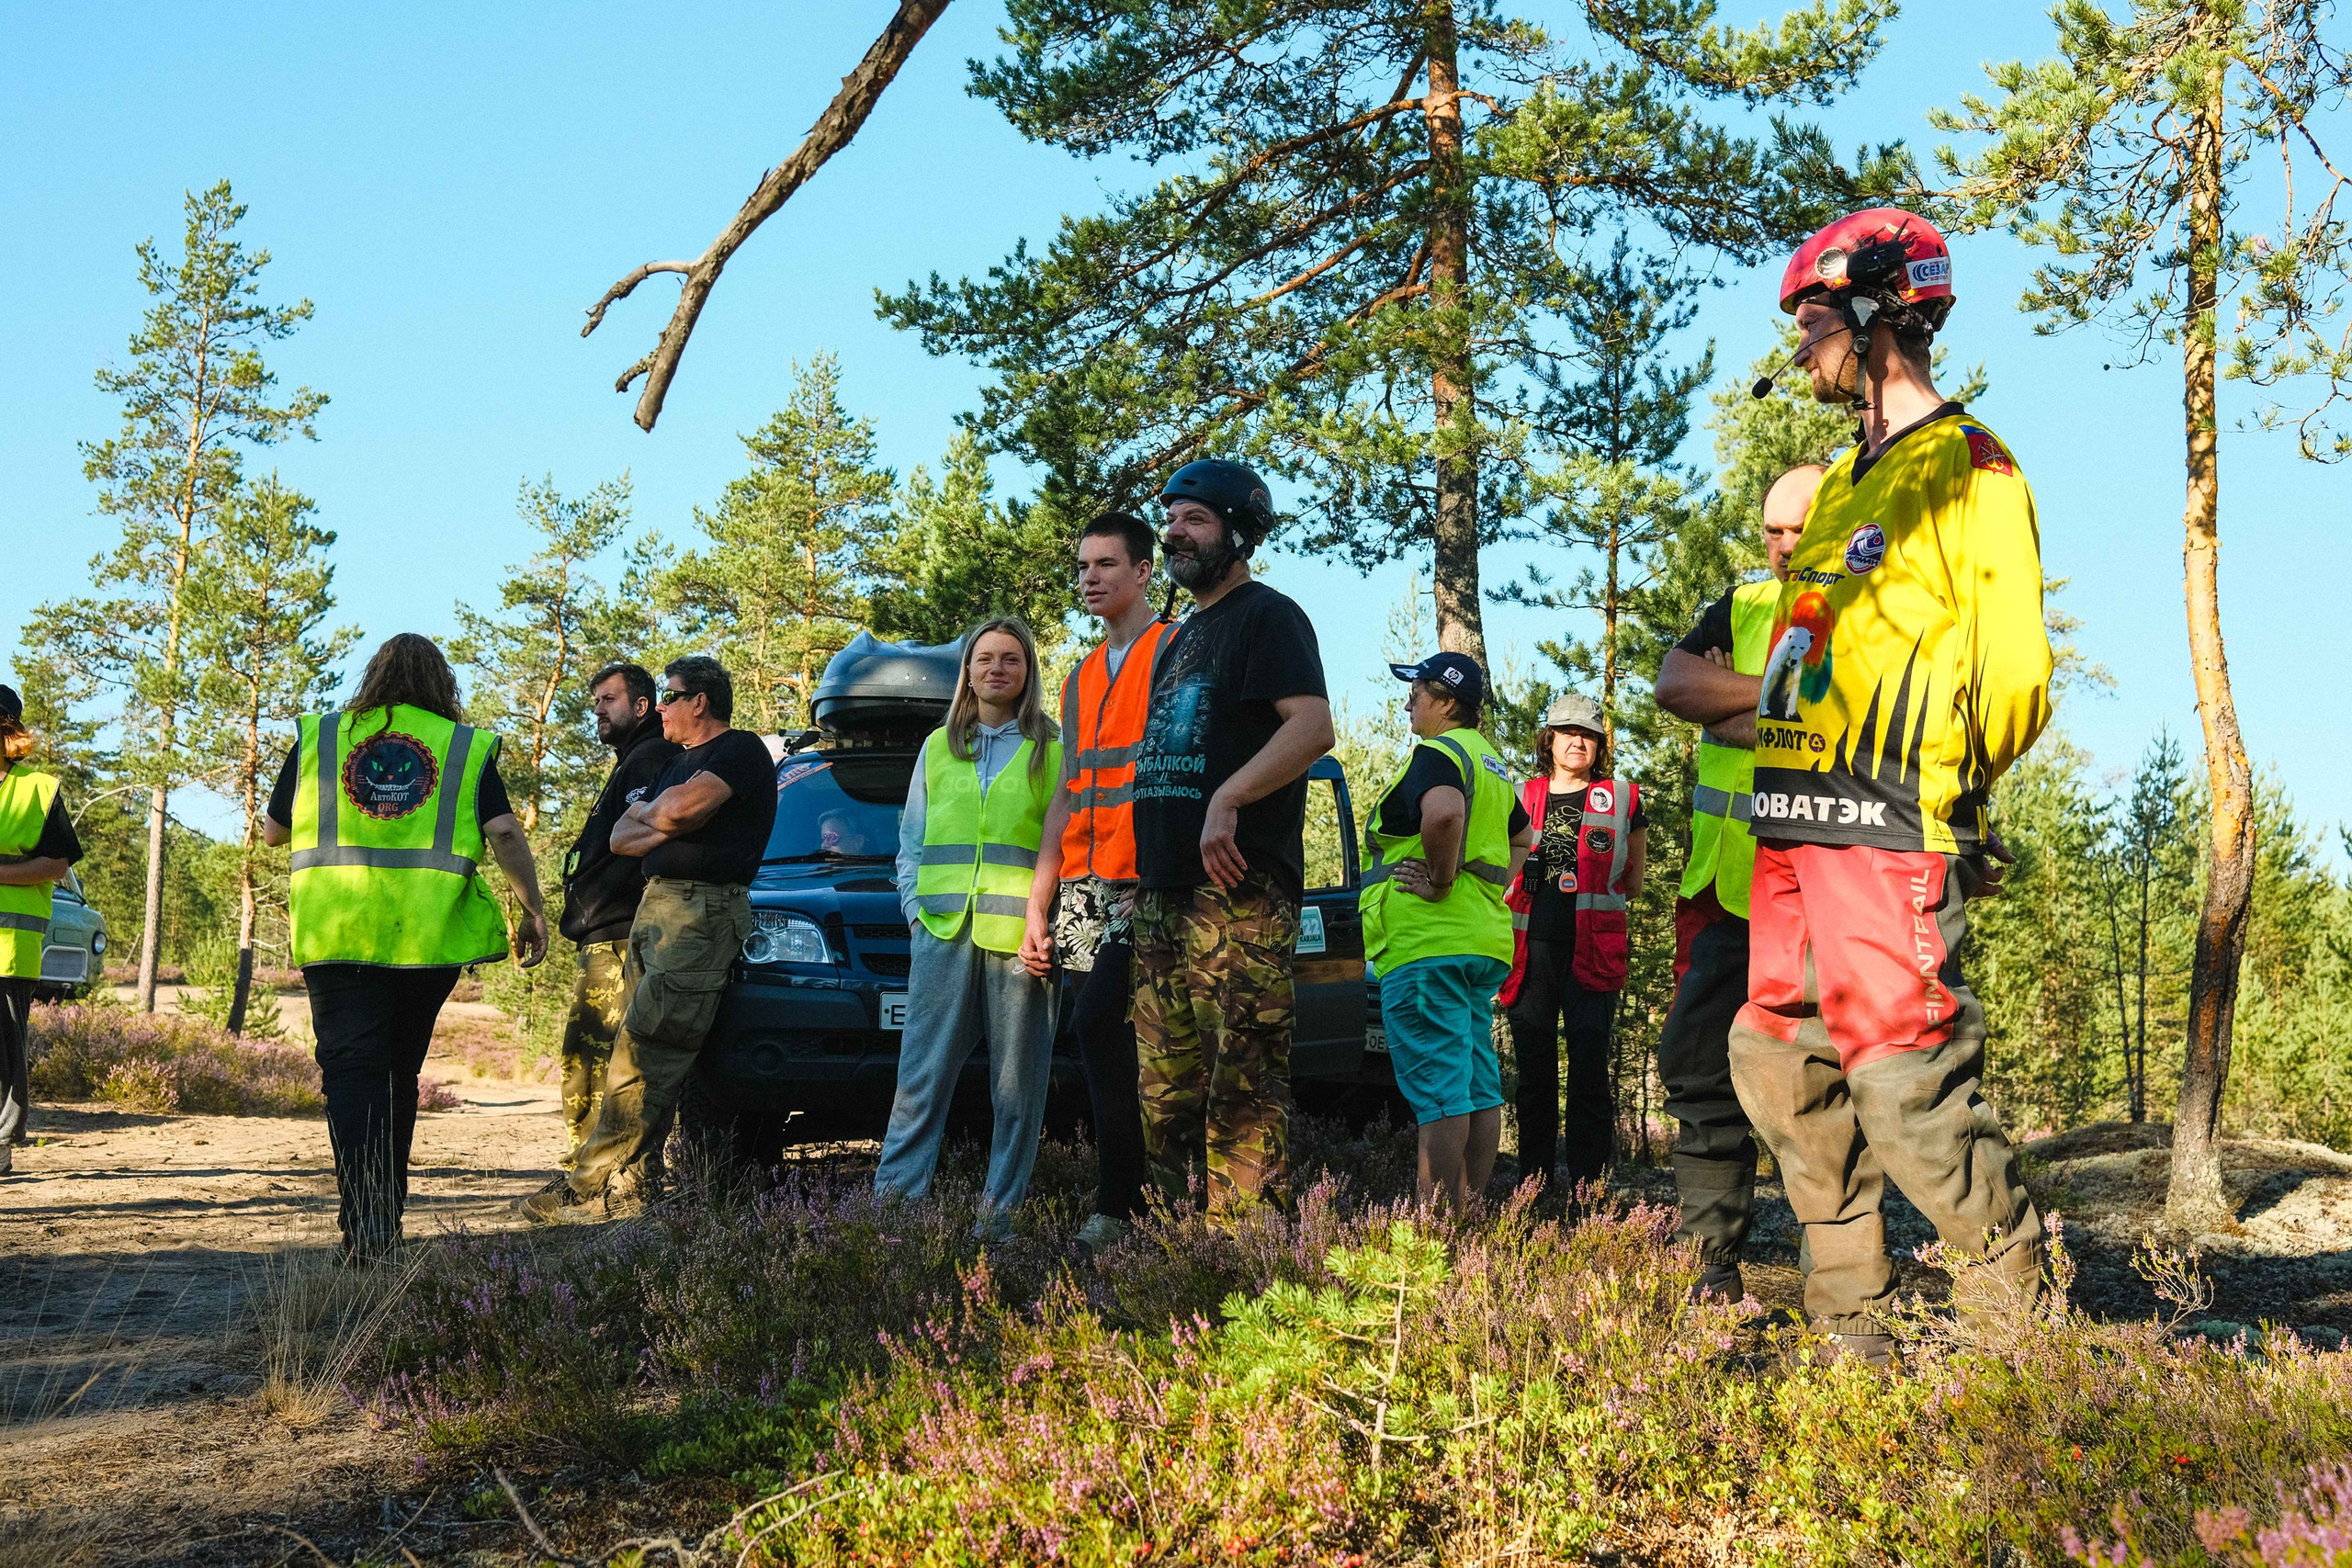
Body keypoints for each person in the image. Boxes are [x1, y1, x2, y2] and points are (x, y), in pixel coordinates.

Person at [1731, 207, 2052, 1365]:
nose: (1801, 340)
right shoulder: (1833, 488)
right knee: (1778, 1061)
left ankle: (2028, 1345)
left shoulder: (1972, 465)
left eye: (1813, 314)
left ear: (1880, 309)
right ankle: (1849, 1328)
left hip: (1883, 819)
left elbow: (2015, 671)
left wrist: (1944, 783)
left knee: (1906, 1082)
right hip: (1786, 820)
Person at [262, 635, 548, 1262]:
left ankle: (367, 1227)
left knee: (352, 1076)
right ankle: (380, 1220)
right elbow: (502, 828)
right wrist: (533, 909)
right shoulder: (463, 746)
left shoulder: (323, 736)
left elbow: (275, 829)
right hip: (426, 943)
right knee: (396, 1075)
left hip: (337, 936)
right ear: (441, 684)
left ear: (374, 677)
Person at [1128, 459, 1334, 1215]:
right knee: (1165, 1091)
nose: (1175, 531)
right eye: (1172, 518)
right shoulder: (1178, 638)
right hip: (1160, 892)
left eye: (1195, 519)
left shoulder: (1268, 615)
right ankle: (1175, 1269)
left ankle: (1246, 1261)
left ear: (1238, 532)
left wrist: (1230, 796)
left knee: (1241, 1083)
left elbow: (1313, 727)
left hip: (1234, 892)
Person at [521, 654, 777, 1221]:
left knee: (646, 1050)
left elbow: (678, 813)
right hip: (657, 906)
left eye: (670, 695)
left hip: (700, 911)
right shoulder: (674, 763)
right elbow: (620, 835)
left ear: (700, 702)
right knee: (635, 1047)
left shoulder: (740, 750)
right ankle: (634, 1190)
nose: (661, 706)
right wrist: (662, 818)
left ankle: (586, 1189)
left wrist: (661, 818)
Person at [1650, 463, 1823, 1301]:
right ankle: (1708, 1269)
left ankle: (1839, 1278)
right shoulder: (1747, 604)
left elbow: (1844, 714)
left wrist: (1734, 701)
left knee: (1822, 1080)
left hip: (1823, 887)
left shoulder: (1864, 607)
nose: (1783, 544)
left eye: (1799, 526)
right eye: (1772, 529)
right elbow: (1674, 684)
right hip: (1726, 888)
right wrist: (1777, 697)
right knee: (1696, 1062)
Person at [877, 616, 1063, 1241]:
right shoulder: (937, 747)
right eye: (985, 658)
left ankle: (998, 1226)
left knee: (1016, 1093)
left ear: (1027, 671)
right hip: (942, 934)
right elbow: (909, 843)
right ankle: (890, 1219)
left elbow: (1065, 850)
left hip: (1020, 944)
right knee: (920, 1081)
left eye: (1011, 659)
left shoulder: (1053, 750)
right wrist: (915, 916)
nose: (997, 669)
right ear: (968, 670)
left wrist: (1051, 931)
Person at [1023, 513, 1174, 1252]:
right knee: (1102, 1042)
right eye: (1082, 565)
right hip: (1084, 883)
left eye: (1106, 564)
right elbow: (1067, 793)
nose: (1090, 577)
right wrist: (1039, 901)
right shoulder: (1081, 676)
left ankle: (1128, 1204)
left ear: (1144, 571)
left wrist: (1164, 870)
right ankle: (1128, 1201)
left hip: (1149, 881)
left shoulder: (1175, 649)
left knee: (1110, 1028)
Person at [1359, 654, 1533, 1210]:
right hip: (1478, 944)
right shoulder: (1492, 765)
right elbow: (1524, 840)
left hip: (1425, 947)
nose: (1409, 700)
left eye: (1418, 691)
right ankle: (1469, 1214)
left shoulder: (1437, 755)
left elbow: (1442, 815)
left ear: (1447, 702)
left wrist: (1438, 882)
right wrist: (1484, 884)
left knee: (1440, 1094)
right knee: (1476, 1087)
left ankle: (1434, 1230)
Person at [1498, 693, 1646, 1194]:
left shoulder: (1624, 797)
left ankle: (1589, 1193)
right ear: (1550, 739)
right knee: (1534, 1077)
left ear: (1599, 745)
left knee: (1589, 1074)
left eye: (1588, 735)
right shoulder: (1517, 793)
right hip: (1530, 953)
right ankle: (1532, 1189)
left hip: (1593, 954)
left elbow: (1636, 880)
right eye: (1567, 732)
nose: (1578, 741)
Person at [552, 661, 683, 1167]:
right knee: (601, 1056)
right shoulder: (636, 757)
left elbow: (647, 837)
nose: (598, 711)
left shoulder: (652, 758)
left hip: (620, 932)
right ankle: (612, 1170)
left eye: (609, 701)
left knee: (593, 1057)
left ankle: (592, 1175)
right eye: (596, 703)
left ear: (643, 705)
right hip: (608, 930)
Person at [0, 684, 84, 1178]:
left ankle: (3, 1143)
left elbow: (57, 863)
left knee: (6, 1046)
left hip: (10, 946)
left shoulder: (39, 789)